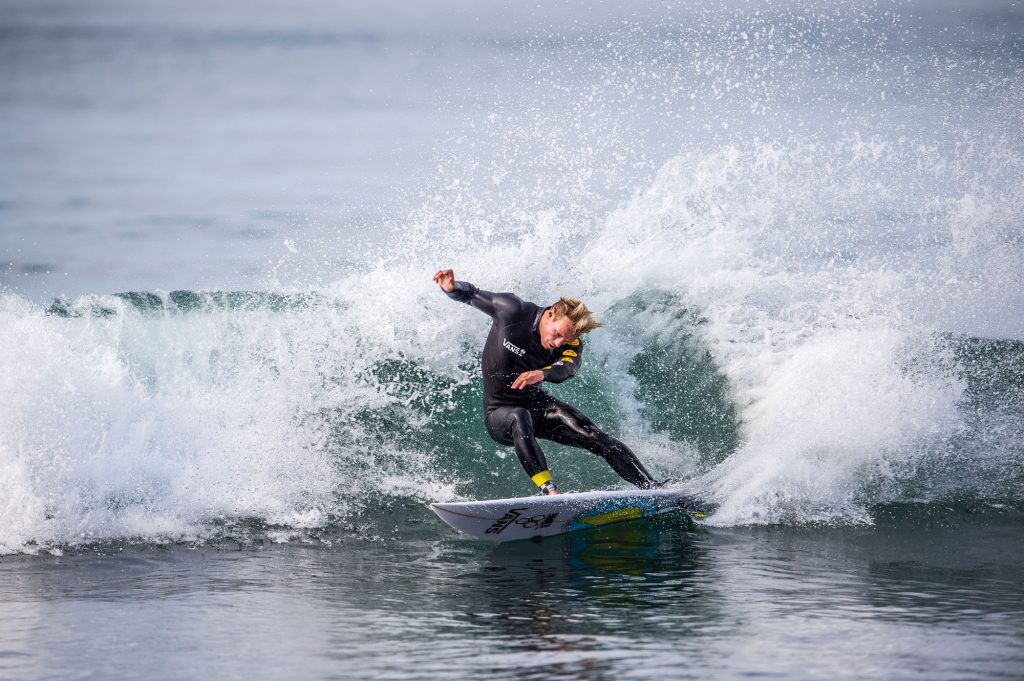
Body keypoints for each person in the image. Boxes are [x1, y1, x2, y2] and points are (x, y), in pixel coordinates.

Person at [433, 268, 657, 495]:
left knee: (594, 435)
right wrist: (452, 288)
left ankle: (652, 489)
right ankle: (548, 489)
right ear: (551, 313)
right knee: (519, 416)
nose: (558, 343)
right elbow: (471, 294)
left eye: (566, 339)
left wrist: (542, 373)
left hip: (537, 405)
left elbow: (568, 367)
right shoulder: (513, 311)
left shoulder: (571, 344)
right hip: (499, 413)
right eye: (557, 334)